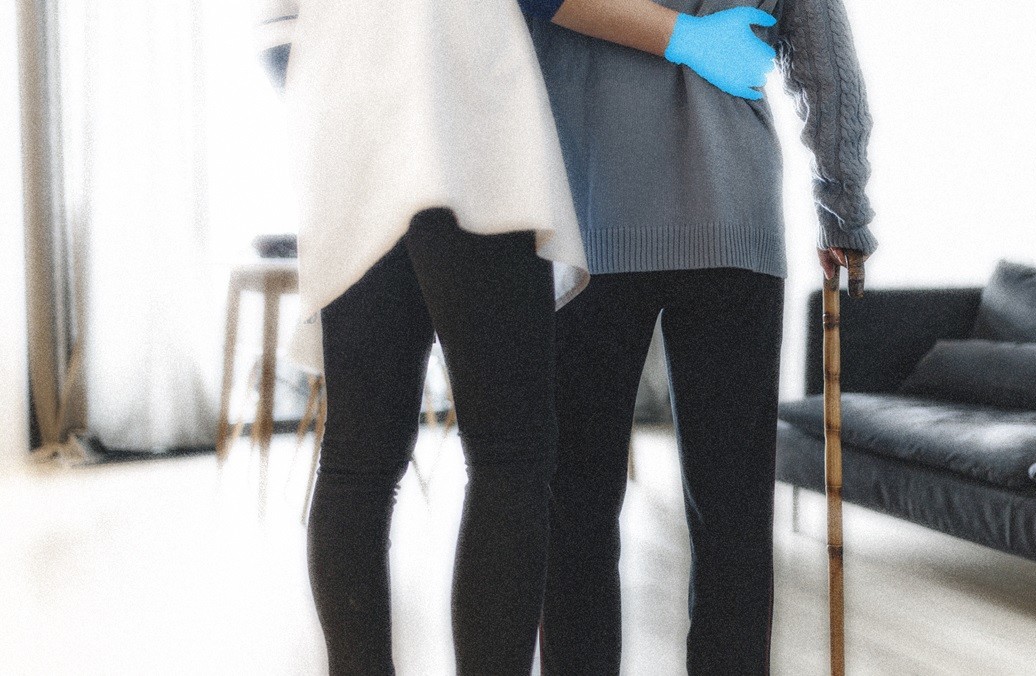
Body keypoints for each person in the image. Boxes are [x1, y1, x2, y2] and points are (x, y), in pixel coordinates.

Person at [253, 0, 783, 673]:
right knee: (510, 454)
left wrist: (361, 99)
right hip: (467, 116)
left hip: (348, 129)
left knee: (359, 456)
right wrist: (686, 37)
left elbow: (276, 34)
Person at [524, 0, 878, 673]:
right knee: (733, 511)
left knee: (574, 506)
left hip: (589, 219)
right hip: (732, 216)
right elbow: (827, 67)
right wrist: (844, 211)